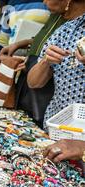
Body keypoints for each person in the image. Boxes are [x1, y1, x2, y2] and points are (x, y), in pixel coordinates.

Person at [27, 0, 85, 128]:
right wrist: (45, 61)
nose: (44, 1)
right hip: (56, 127)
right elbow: (34, 82)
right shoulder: (64, 31)